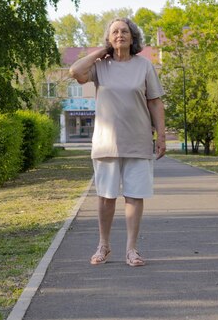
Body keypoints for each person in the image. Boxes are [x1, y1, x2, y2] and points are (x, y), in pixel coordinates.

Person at [69, 17, 166, 267]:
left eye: (124, 31)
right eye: (114, 32)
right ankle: (103, 245)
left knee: (134, 196)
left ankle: (132, 249)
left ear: (133, 37)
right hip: (106, 142)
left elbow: (155, 102)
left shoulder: (144, 66)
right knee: (105, 196)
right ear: (109, 38)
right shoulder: (101, 66)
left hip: (138, 140)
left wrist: (162, 135)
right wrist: (102, 51)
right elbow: (75, 72)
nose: (120, 35)